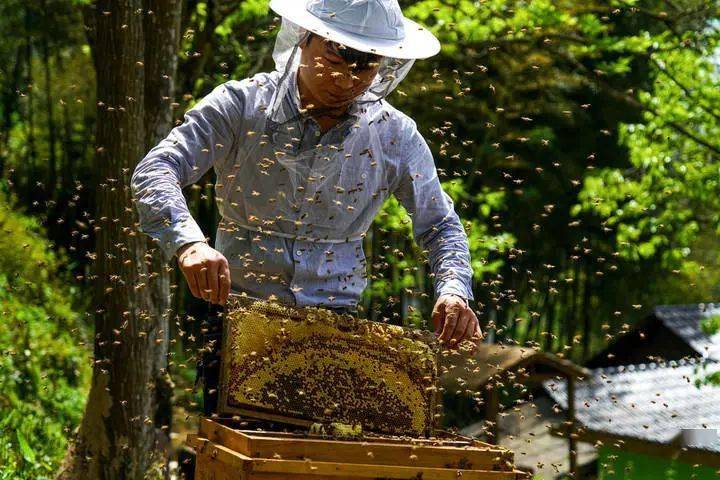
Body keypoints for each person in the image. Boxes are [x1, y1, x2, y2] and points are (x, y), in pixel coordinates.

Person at [131, 0, 482, 415]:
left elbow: (440, 224)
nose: (348, 77)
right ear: (304, 38)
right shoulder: (240, 104)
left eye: (366, 64)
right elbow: (157, 167)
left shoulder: (395, 135)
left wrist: (454, 290)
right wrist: (189, 244)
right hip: (237, 320)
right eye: (339, 54)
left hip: (338, 331)